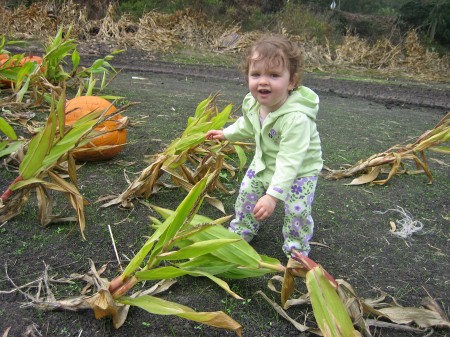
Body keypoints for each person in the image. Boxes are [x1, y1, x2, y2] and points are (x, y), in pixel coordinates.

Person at [205, 35, 323, 258]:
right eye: (256, 74)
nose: (263, 81)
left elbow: (290, 161)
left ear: (291, 81)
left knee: (297, 210)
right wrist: (226, 133)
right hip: (264, 162)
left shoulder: (296, 118)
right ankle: (242, 229)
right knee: (247, 193)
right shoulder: (254, 103)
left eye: (274, 75)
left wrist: (272, 196)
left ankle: (297, 249)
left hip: (299, 171)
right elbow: (248, 124)